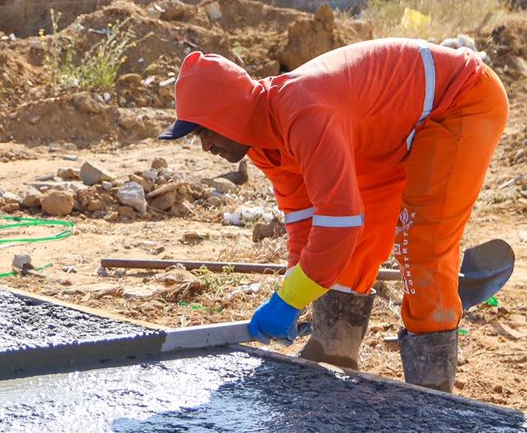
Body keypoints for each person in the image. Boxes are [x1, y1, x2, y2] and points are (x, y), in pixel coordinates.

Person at [162, 39, 508, 391]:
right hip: (388, 133)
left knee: (420, 243)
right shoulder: (264, 143)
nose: (205, 146)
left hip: (460, 100)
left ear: (229, 112)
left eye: (204, 131)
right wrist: (293, 294)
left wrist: (288, 301)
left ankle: (432, 388)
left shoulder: (302, 111)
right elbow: (306, 221)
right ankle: (334, 350)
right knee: (356, 244)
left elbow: (338, 225)